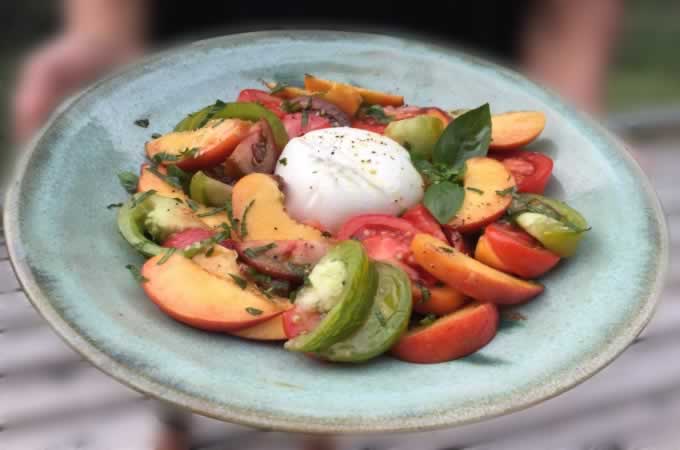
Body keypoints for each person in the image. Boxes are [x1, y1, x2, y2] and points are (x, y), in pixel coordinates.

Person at [12, 0, 622, 143]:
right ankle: (176, 417)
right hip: (204, 56)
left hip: (442, 62)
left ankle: (322, 431)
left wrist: (572, 100)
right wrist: (101, 35)